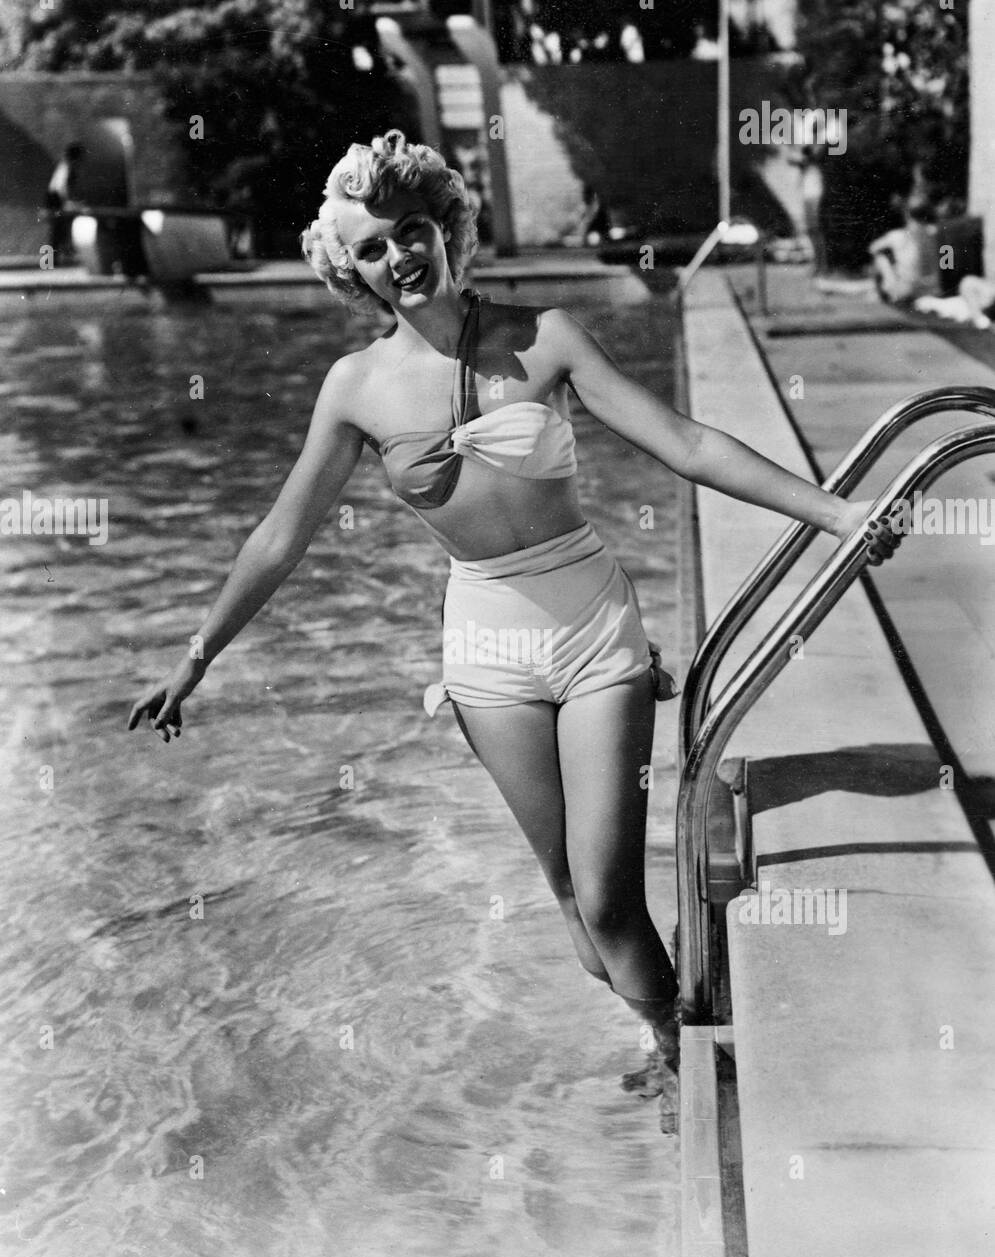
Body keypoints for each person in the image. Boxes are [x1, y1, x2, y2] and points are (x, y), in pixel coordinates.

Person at [128, 130, 870, 1098]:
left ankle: (706, 1076)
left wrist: (836, 512)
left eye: (409, 228)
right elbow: (280, 535)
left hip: (592, 626)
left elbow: (683, 441)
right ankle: (668, 1040)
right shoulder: (354, 387)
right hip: (485, 654)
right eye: (370, 247)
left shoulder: (546, 334)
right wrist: (196, 657)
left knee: (607, 894)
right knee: (570, 897)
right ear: (348, 270)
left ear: (442, 226)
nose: (398, 254)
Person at [869, 199, 939, 306]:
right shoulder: (936, 233)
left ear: (907, 215)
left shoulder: (897, 235)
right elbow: (948, 257)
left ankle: (887, 289)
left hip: (905, 290)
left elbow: (873, 248)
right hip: (934, 288)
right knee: (946, 252)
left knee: (880, 258)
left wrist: (892, 265)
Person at [46, 142, 85, 266]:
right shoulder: (66, 167)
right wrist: (67, 202)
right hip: (55, 200)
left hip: (56, 199)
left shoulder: (66, 166)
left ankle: (52, 261)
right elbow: (61, 187)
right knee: (57, 231)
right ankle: (48, 262)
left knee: (59, 231)